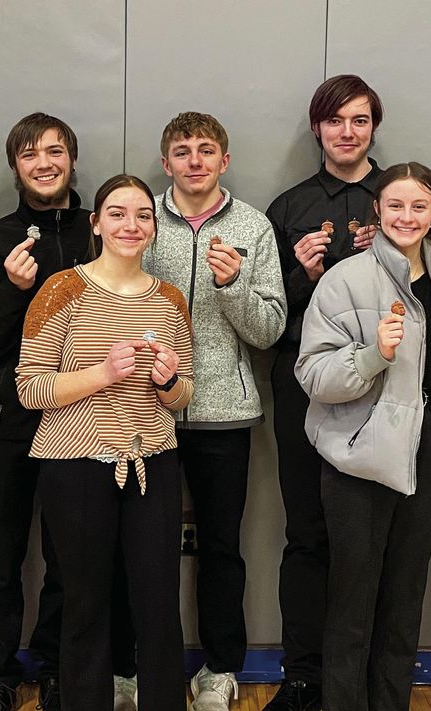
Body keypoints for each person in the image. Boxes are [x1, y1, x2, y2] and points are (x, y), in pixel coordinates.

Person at [264, 73, 431, 710]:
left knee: (404, 587)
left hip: (417, 434)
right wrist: (310, 276)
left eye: (360, 120)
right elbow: (283, 334)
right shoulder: (308, 229)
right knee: (328, 559)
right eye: (335, 120)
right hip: (342, 425)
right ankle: (308, 681)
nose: (348, 132)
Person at [0, 112, 138, 711]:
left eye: (55, 151)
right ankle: (2, 671)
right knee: (0, 554)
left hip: (88, 423)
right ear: (16, 165)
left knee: (75, 557)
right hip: (8, 422)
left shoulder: (103, 234)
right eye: (31, 153)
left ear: (71, 160)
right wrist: (12, 291)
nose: (44, 163)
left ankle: (63, 665)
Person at [16, 174, 193, 711]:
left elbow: (183, 394)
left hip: (153, 462)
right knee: (85, 604)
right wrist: (101, 373)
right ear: (96, 223)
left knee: (159, 606)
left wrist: (166, 382)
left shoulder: (169, 298)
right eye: (117, 213)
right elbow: (29, 388)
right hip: (76, 466)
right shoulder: (61, 289)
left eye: (142, 215)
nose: (130, 225)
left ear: (154, 228)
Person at [294, 162, 431, 711]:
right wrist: (374, 355)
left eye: (419, 206)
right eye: (395, 206)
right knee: (352, 602)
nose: (407, 217)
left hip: (425, 450)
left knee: (404, 600)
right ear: (378, 210)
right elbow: (313, 375)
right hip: (358, 461)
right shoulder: (345, 278)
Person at [141, 111, 286, 710]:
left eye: (206, 150)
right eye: (182, 150)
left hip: (224, 415)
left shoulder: (254, 226)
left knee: (221, 548)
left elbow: (271, 329)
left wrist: (231, 288)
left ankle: (220, 669)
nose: (194, 160)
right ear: (166, 161)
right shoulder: (139, 218)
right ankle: (137, 668)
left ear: (224, 161)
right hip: (142, 412)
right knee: (142, 547)